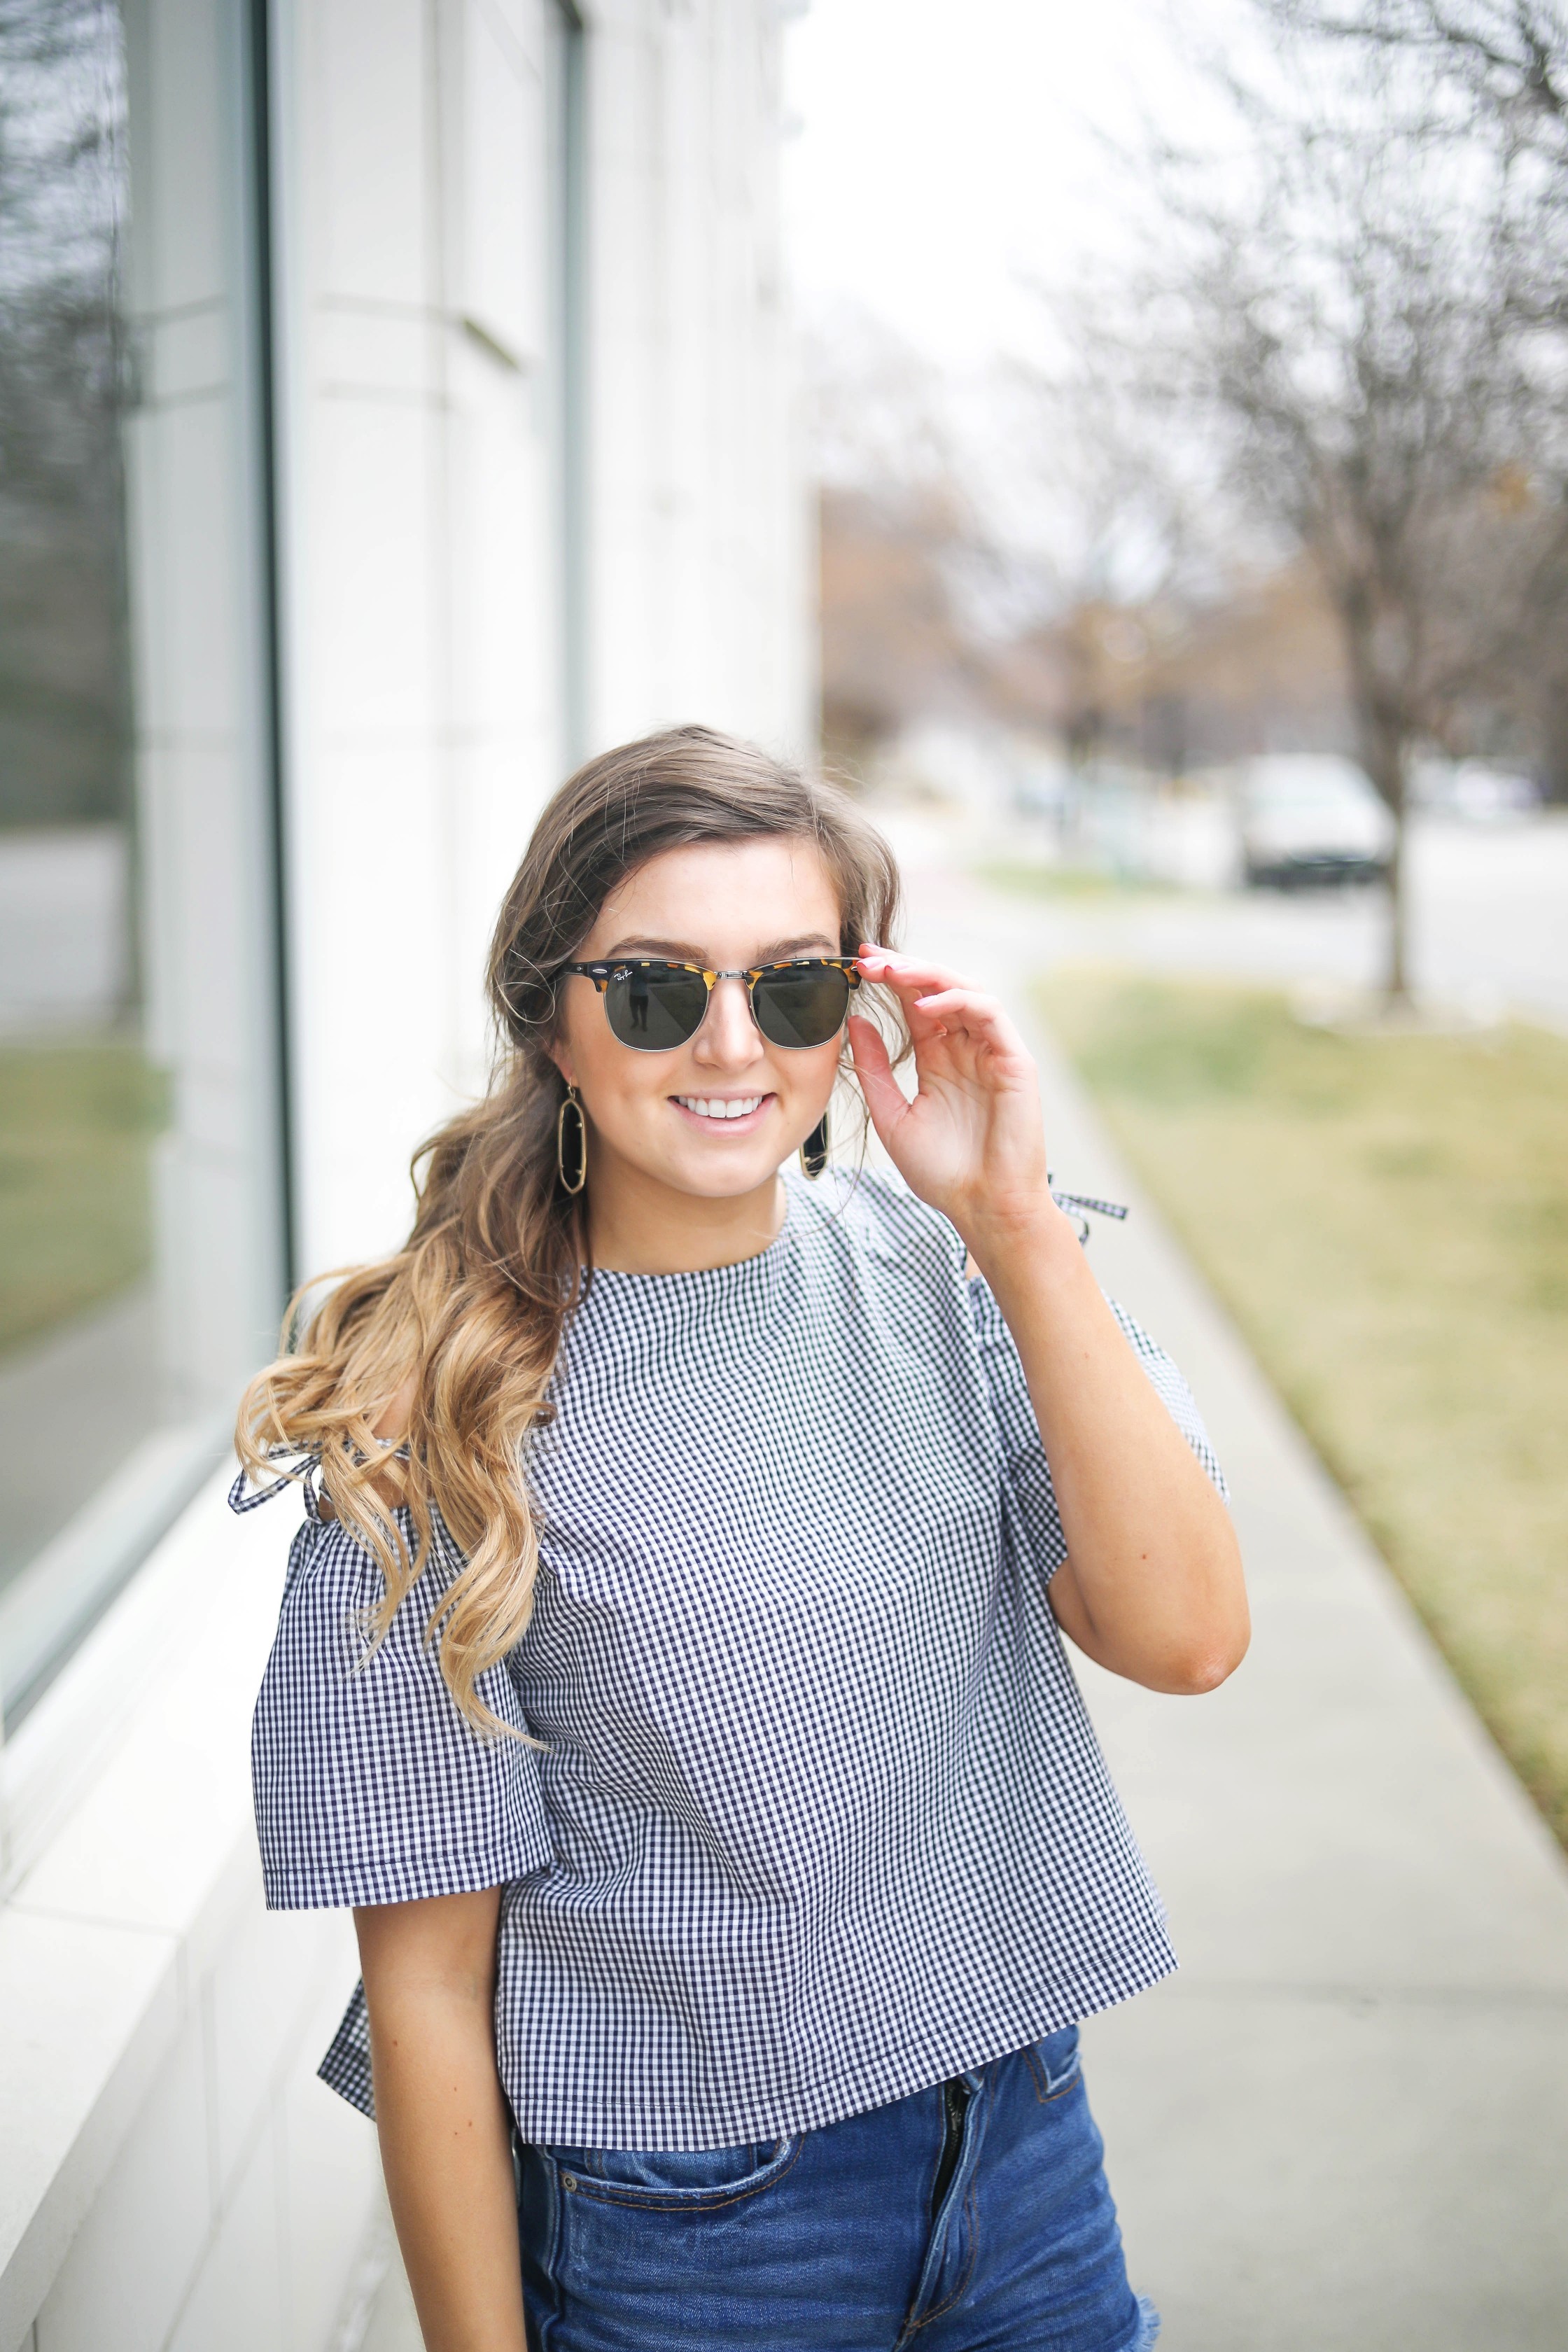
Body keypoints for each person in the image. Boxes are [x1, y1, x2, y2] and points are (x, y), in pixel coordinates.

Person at [235, 727, 1247, 2352]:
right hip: (685, 2234)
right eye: (652, 988)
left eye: (786, 987)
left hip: (1026, 2148)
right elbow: (430, 2001)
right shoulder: (443, 1419)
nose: (728, 1044)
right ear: (552, 1021)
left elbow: (1184, 1638)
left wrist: (1013, 1225)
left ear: (854, 1017)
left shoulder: (952, 1275)